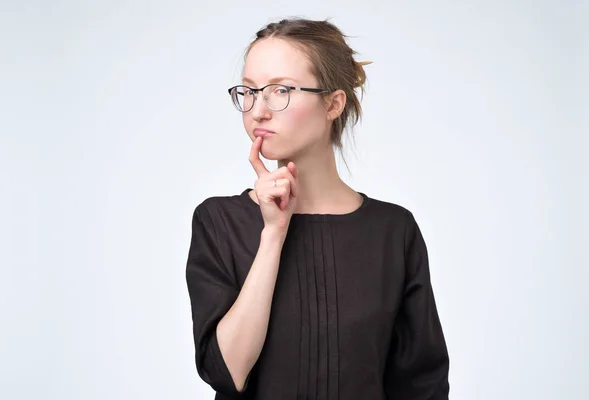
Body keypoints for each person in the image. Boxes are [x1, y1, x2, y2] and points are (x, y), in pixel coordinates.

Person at [185, 17, 450, 400]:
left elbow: (421, 385)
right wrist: (273, 234)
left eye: (280, 91)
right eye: (249, 91)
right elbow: (227, 372)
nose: (258, 110)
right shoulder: (219, 221)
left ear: (333, 103)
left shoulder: (393, 230)